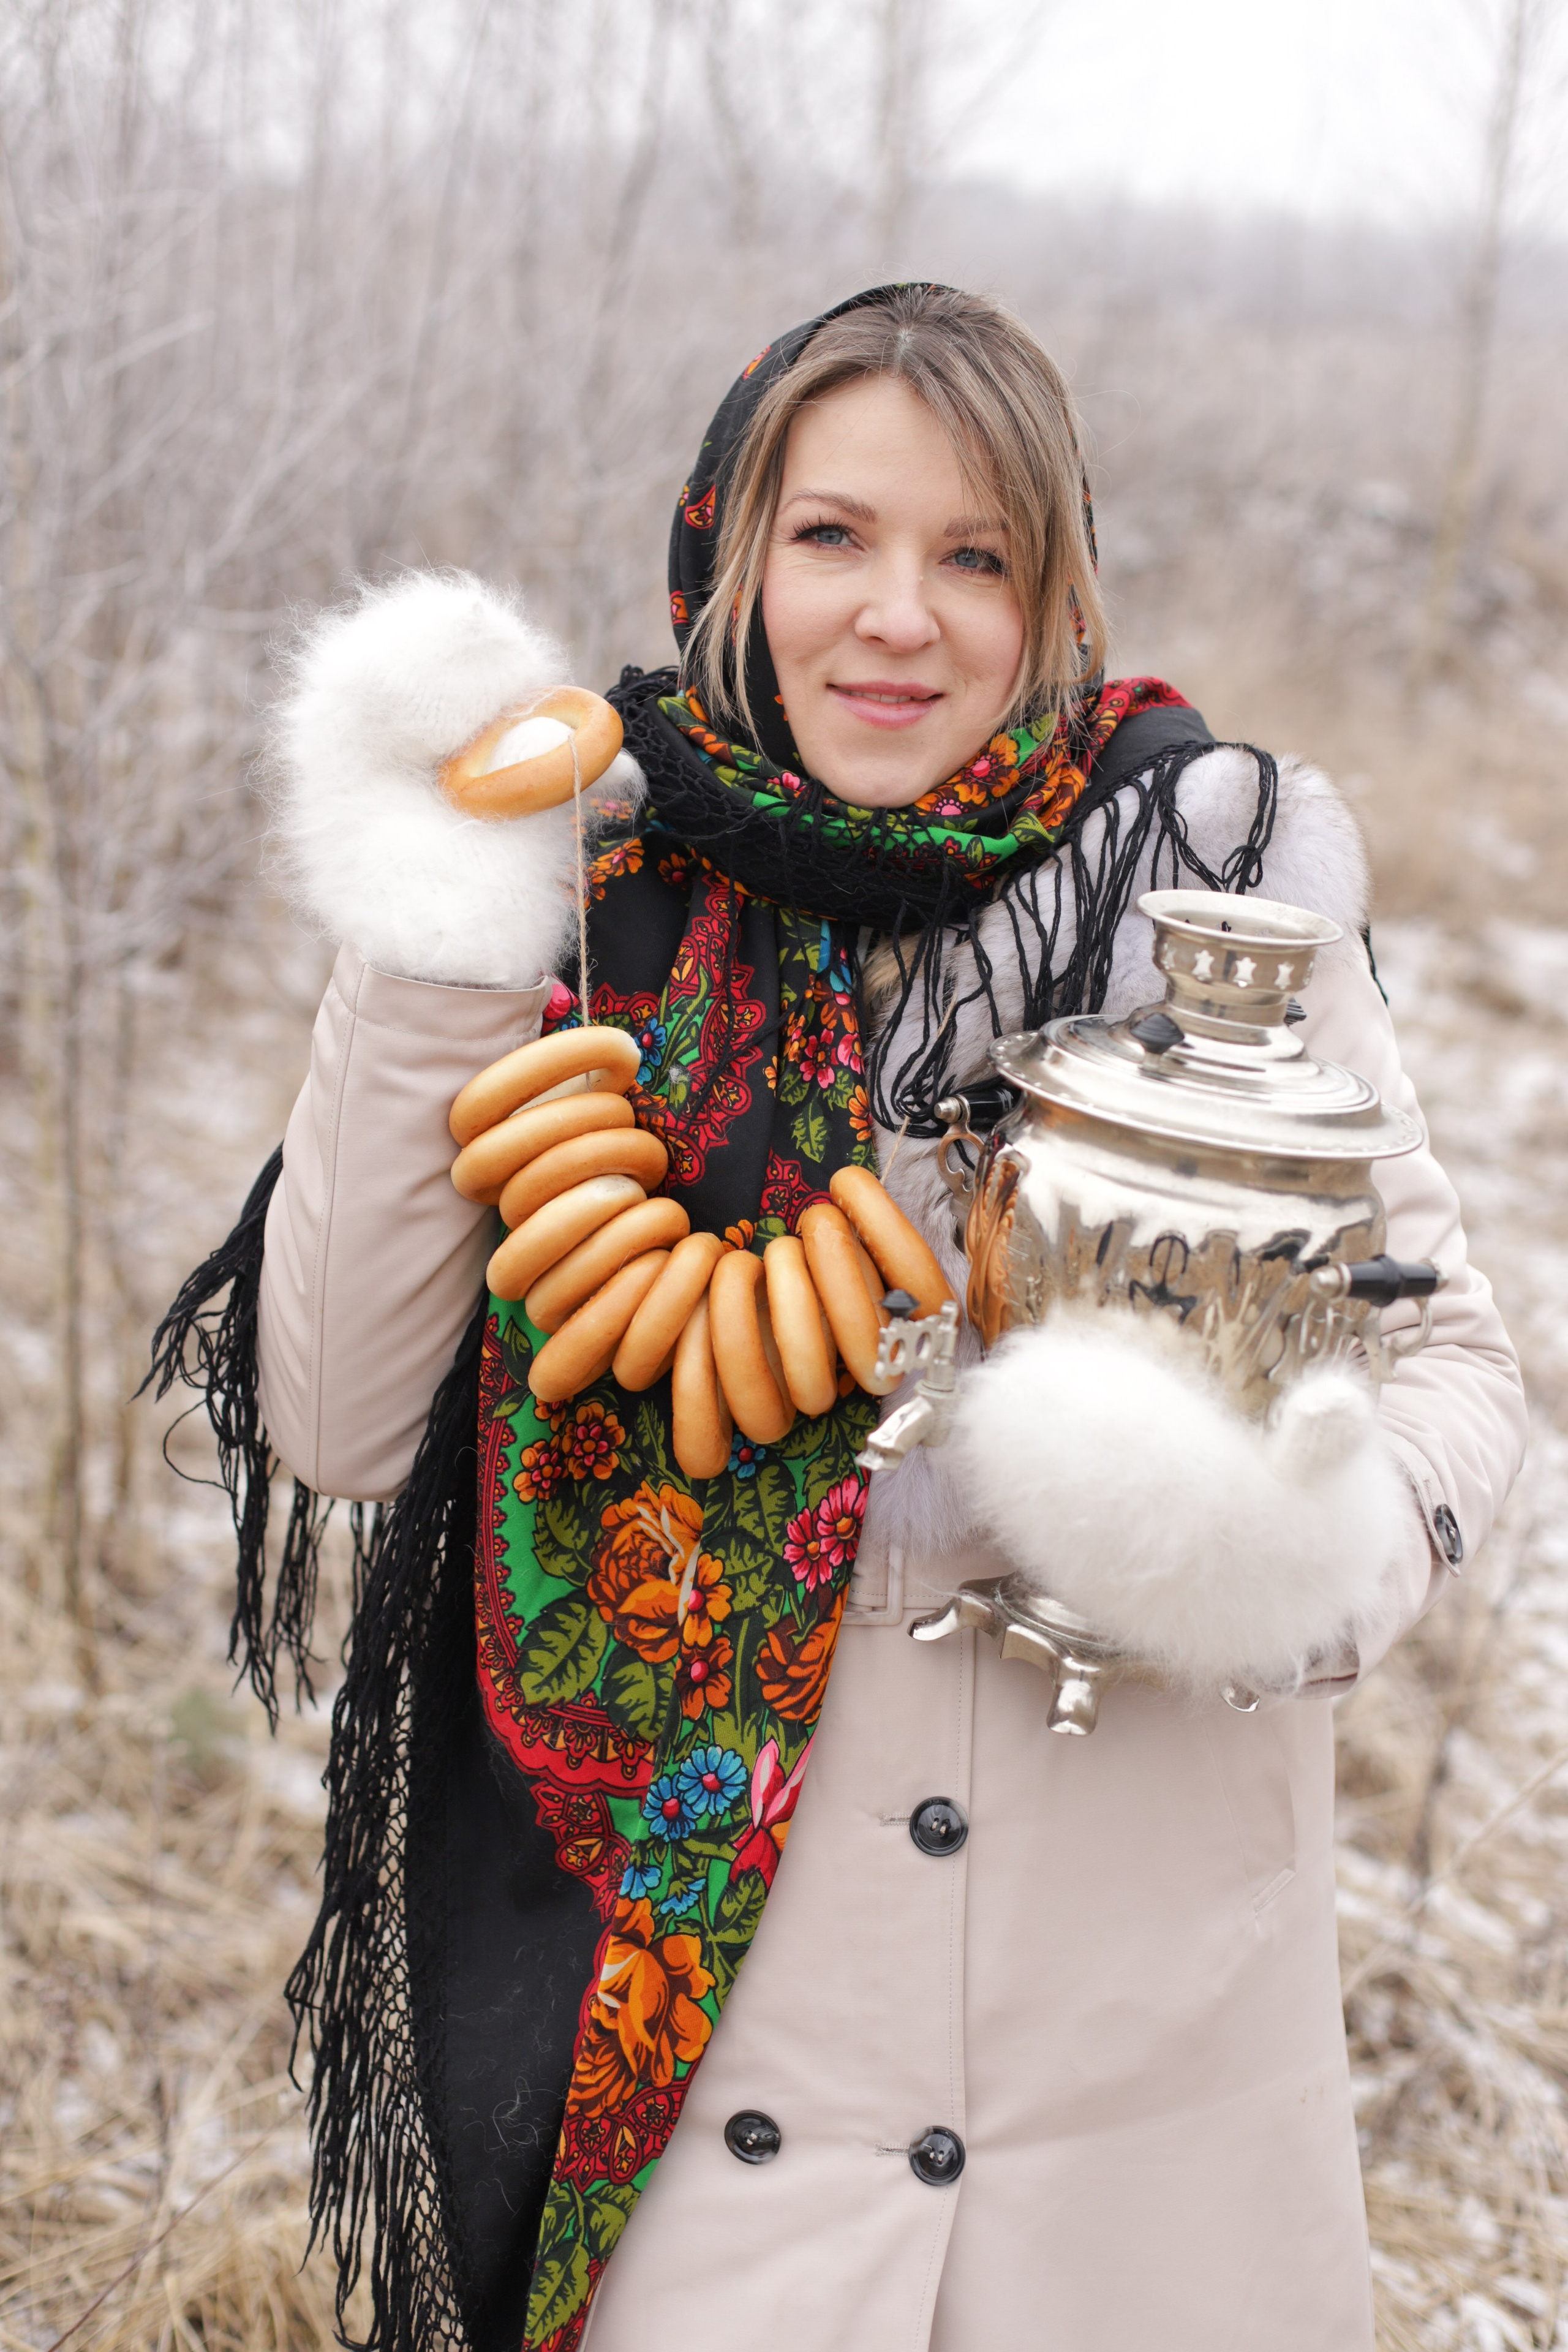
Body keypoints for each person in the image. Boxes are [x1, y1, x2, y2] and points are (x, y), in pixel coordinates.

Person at [155, 284, 1525, 2352]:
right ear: (730, 554)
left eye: (976, 555)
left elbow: (1453, 1361)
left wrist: (1304, 1564)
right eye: (835, 538)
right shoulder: (589, 908)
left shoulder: (1203, 897)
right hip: (708, 2077)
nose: (901, 616)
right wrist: (440, 914)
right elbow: (340, 1417)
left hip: (1140, 2099)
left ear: (1054, 595)